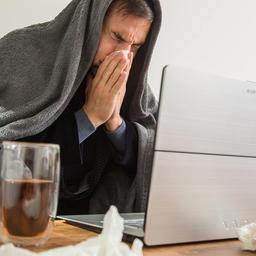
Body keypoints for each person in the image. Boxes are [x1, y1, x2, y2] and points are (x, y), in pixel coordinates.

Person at [0, 0, 162, 214]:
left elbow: (155, 157)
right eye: (117, 37)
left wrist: (116, 125)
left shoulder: (135, 81)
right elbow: (15, 159)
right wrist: (90, 117)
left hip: (94, 229)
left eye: (135, 46)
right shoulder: (21, 51)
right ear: (90, 23)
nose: (122, 56)